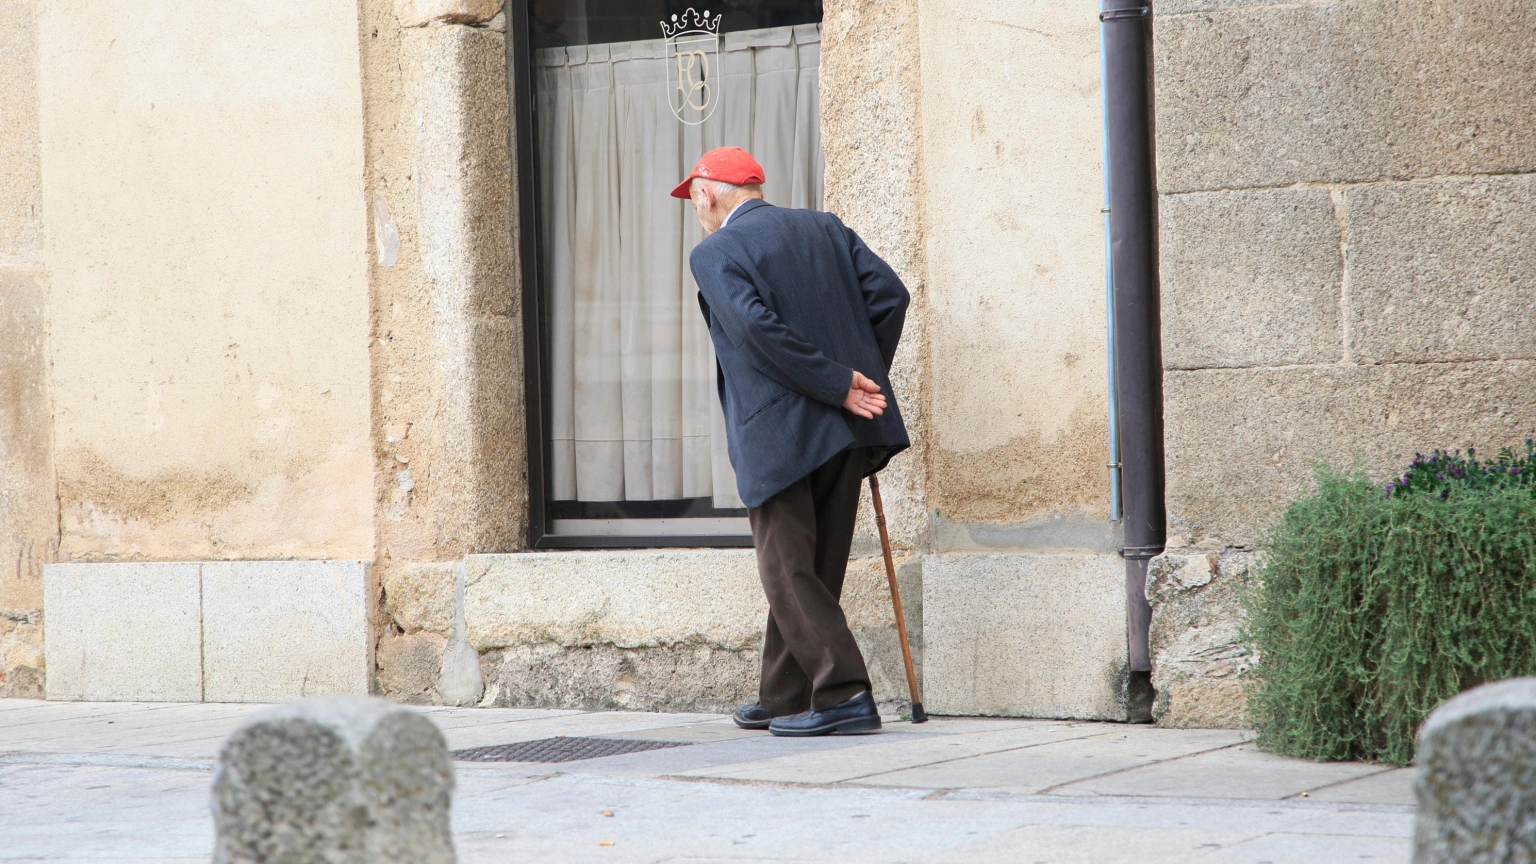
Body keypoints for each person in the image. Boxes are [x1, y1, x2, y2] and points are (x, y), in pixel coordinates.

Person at [672, 147, 910, 737]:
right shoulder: (824, 228)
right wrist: (854, 381)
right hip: (845, 429)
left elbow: (755, 329)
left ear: (707, 194)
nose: (695, 210)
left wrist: (839, 384)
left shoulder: (714, 252)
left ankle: (844, 694)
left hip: (779, 432)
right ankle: (784, 694)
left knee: (787, 571)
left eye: (693, 199)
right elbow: (890, 296)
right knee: (814, 568)